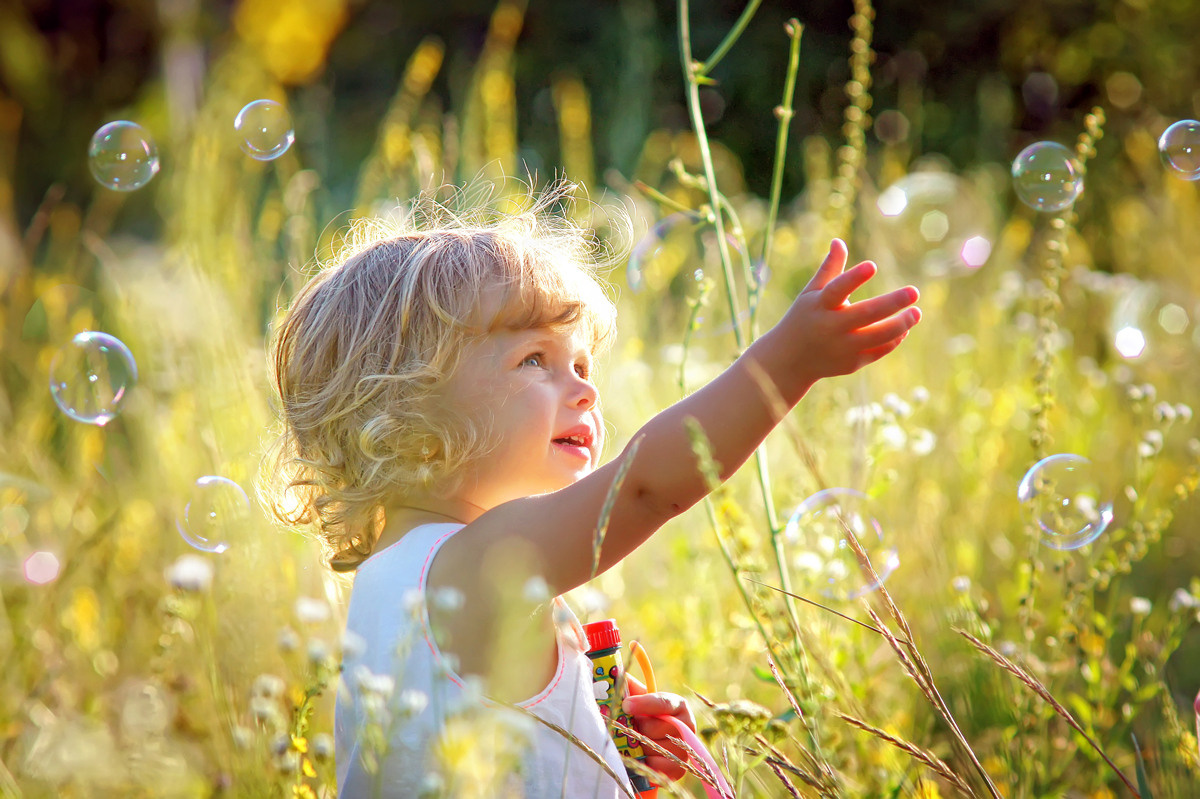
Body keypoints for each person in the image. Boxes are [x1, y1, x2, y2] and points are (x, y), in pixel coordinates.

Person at [266, 183, 920, 797]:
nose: (585, 388)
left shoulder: (390, 580)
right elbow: (644, 488)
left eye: (581, 363)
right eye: (534, 361)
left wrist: (594, 735)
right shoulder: (481, 560)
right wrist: (786, 362)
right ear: (406, 411)